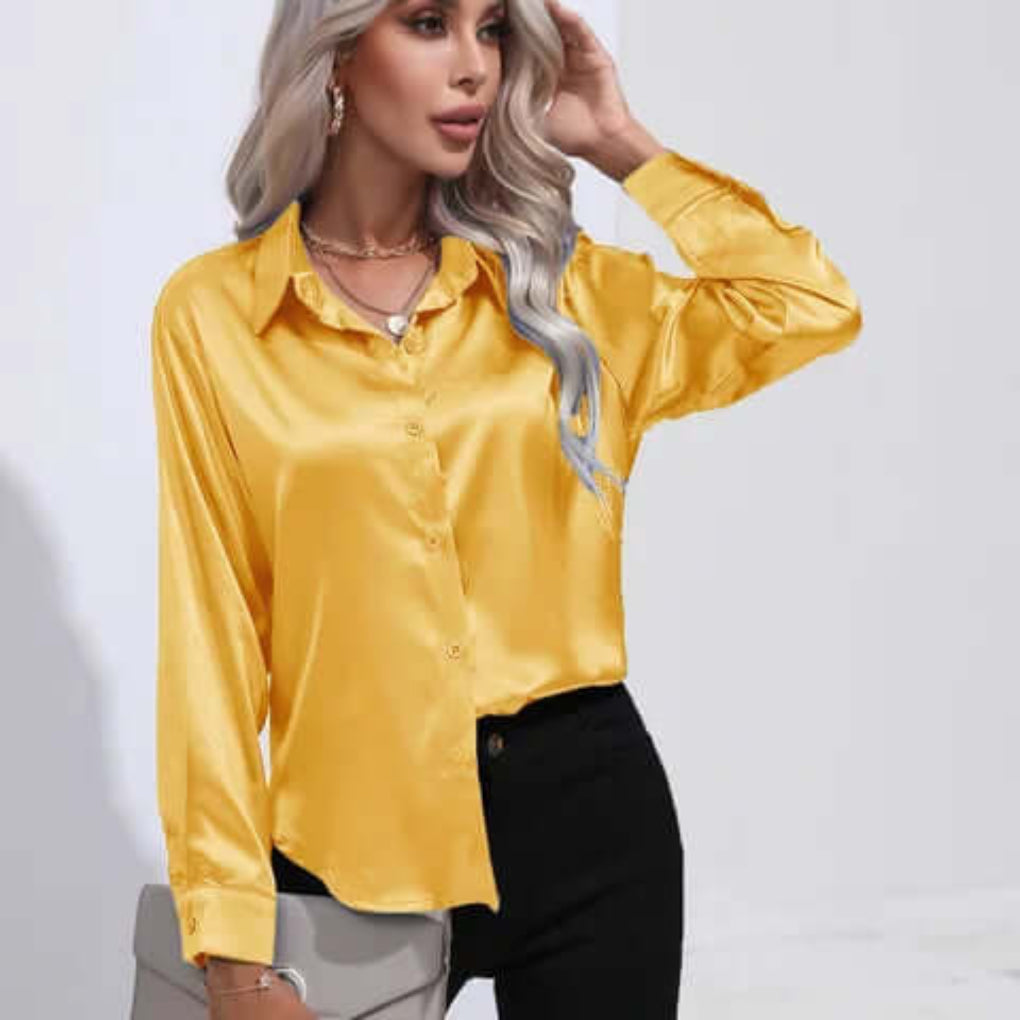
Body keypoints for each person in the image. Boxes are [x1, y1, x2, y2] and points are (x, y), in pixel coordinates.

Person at [149, 0, 863, 1017]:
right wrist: (231, 950)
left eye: (492, 30)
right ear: (337, 55)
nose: (474, 65)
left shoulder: (562, 293)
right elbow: (211, 639)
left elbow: (808, 306)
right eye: (429, 23)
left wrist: (620, 143)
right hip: (350, 842)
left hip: (591, 819)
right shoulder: (215, 314)